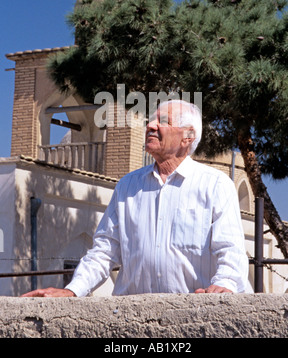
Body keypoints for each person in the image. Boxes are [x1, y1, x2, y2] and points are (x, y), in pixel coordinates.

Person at [22, 99, 248, 298]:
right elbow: (105, 250)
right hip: (134, 319)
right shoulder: (128, 186)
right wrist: (73, 290)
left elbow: (230, 250)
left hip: (193, 316)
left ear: (188, 136)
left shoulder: (215, 185)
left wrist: (224, 285)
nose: (150, 125)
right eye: (151, 120)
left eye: (163, 121)